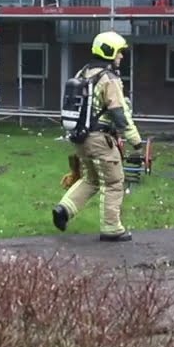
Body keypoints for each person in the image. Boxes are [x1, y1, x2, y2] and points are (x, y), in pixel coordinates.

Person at [53, 30, 144, 241]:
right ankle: (112, 228)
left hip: (80, 138)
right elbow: (119, 113)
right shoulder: (109, 79)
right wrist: (136, 140)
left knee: (92, 179)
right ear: (109, 51)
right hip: (100, 139)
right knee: (114, 182)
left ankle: (64, 210)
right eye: (119, 52)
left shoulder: (83, 73)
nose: (121, 56)